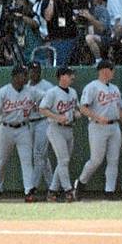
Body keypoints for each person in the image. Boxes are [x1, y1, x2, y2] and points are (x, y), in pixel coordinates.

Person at [75, 60, 122, 199]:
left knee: (113, 160)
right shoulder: (92, 87)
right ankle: (81, 183)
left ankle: (109, 192)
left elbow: (120, 108)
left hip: (114, 127)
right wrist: (97, 117)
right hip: (97, 126)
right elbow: (83, 108)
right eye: (111, 69)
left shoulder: (115, 88)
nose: (113, 72)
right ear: (104, 70)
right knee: (96, 160)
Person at [0, 64, 38, 202]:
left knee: (27, 161)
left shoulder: (31, 91)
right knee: (2, 161)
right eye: (24, 74)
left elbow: (45, 98)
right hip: (5, 129)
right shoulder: (4, 91)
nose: (27, 77)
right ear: (15, 76)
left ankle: (28, 191)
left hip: (23, 129)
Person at [39, 66, 80, 202]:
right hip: (55, 128)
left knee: (63, 162)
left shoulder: (73, 92)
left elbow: (76, 109)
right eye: (69, 75)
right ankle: (68, 191)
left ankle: (52, 192)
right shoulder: (52, 92)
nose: (71, 77)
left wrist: (76, 114)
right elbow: (42, 109)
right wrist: (57, 117)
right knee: (64, 160)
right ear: (62, 76)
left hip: (69, 128)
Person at [26, 61, 55, 195]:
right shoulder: (25, 87)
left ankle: (33, 188)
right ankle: (52, 187)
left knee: (38, 155)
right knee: (43, 157)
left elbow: (54, 104)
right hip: (30, 122)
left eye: (36, 70)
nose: (34, 73)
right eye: (32, 70)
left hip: (43, 121)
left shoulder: (47, 86)